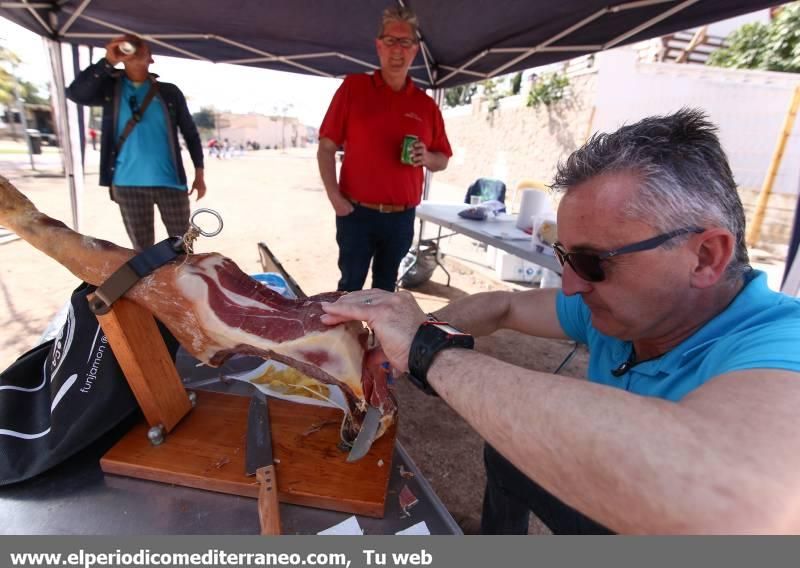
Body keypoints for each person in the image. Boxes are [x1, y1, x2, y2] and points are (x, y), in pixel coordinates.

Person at [321, 109, 800, 534]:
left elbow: (738, 503)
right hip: (611, 497)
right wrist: (411, 333)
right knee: (509, 454)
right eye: (564, 257)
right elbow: (501, 306)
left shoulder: (781, 341)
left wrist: (428, 352)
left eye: (592, 263)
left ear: (704, 257)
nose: (570, 285)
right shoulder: (628, 309)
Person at [317, 6, 452, 292]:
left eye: (405, 42)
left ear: (415, 50)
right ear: (379, 45)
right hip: (356, 213)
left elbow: (443, 160)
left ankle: (379, 339)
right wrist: (334, 197)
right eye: (390, 41)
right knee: (350, 287)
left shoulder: (426, 106)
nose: (397, 50)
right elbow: (326, 147)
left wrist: (427, 157)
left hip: (401, 217)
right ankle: (346, 338)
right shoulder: (354, 88)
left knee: (386, 290)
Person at [66, 35, 206, 251]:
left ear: (151, 59)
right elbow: (76, 94)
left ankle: (182, 284)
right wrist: (107, 62)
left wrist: (199, 173)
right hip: (127, 184)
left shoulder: (169, 92)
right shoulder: (110, 90)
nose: (138, 50)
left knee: (183, 248)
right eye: (133, 47)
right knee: (143, 253)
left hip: (171, 183)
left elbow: (190, 132)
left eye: (143, 48)